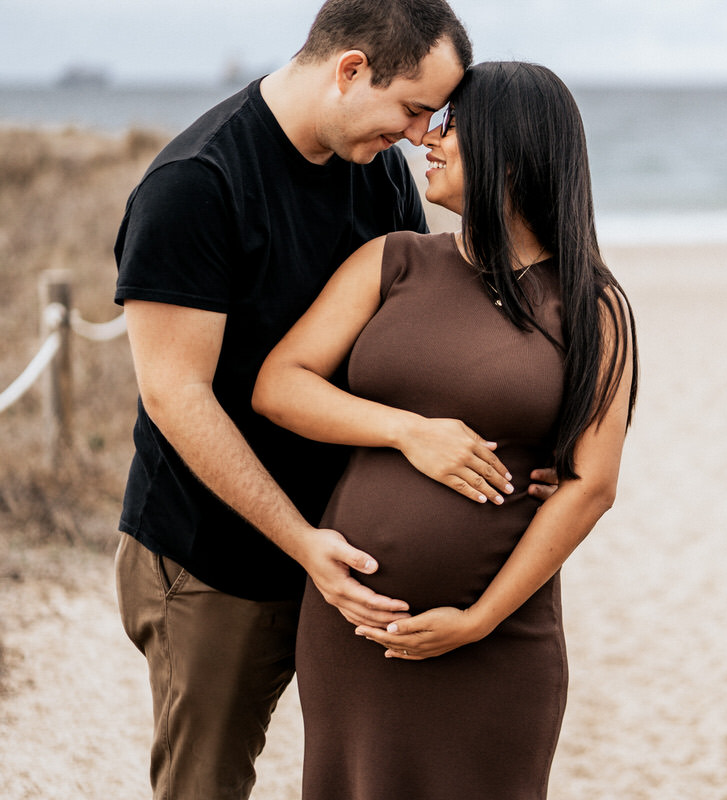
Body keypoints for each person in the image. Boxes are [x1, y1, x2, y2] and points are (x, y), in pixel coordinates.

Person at [112, 3, 552, 798]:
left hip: (348, 560)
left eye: (437, 117)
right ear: (351, 70)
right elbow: (176, 397)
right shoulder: (195, 185)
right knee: (205, 785)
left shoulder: (372, 166)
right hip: (218, 561)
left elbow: (422, 342)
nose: (423, 137)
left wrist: (525, 461)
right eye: (415, 109)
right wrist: (303, 542)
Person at [251, 60, 639, 799]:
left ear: (512, 149)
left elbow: (593, 486)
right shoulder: (392, 262)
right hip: (355, 631)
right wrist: (406, 431)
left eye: (452, 125)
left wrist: (478, 620)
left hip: (499, 641)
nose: (425, 137)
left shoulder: (591, 305)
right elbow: (279, 386)